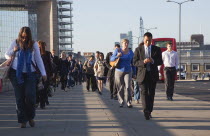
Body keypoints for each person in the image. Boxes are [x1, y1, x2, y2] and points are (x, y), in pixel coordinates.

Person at [5, 26, 47, 128]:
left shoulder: (33, 44)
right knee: (19, 98)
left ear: (29, 36)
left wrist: (43, 73)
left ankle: (30, 117)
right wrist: (13, 51)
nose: (24, 39)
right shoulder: (15, 42)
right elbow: (6, 54)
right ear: (20, 35)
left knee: (30, 96)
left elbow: (38, 59)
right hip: (16, 73)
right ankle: (22, 120)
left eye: (26, 37)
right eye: (23, 37)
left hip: (30, 73)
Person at [133, 32, 163, 120]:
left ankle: (150, 110)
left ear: (151, 40)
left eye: (149, 41)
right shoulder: (138, 49)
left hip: (152, 74)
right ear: (143, 39)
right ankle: (146, 111)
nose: (147, 42)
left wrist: (153, 61)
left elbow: (160, 61)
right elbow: (135, 62)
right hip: (142, 75)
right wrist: (143, 62)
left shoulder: (156, 49)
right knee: (144, 92)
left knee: (151, 93)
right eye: (146, 40)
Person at [111, 39, 134, 108]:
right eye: (124, 43)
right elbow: (111, 59)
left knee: (128, 87)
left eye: (127, 43)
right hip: (119, 71)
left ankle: (129, 102)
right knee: (120, 87)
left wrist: (135, 73)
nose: (126, 44)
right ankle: (121, 101)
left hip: (128, 71)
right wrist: (117, 56)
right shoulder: (117, 50)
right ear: (122, 44)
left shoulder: (131, 52)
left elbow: (133, 63)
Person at [37, 41, 53, 109]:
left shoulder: (37, 53)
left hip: (39, 73)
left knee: (40, 89)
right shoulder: (46, 53)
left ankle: (40, 102)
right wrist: (51, 73)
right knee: (43, 89)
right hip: (46, 73)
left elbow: (49, 63)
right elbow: (50, 64)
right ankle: (42, 104)